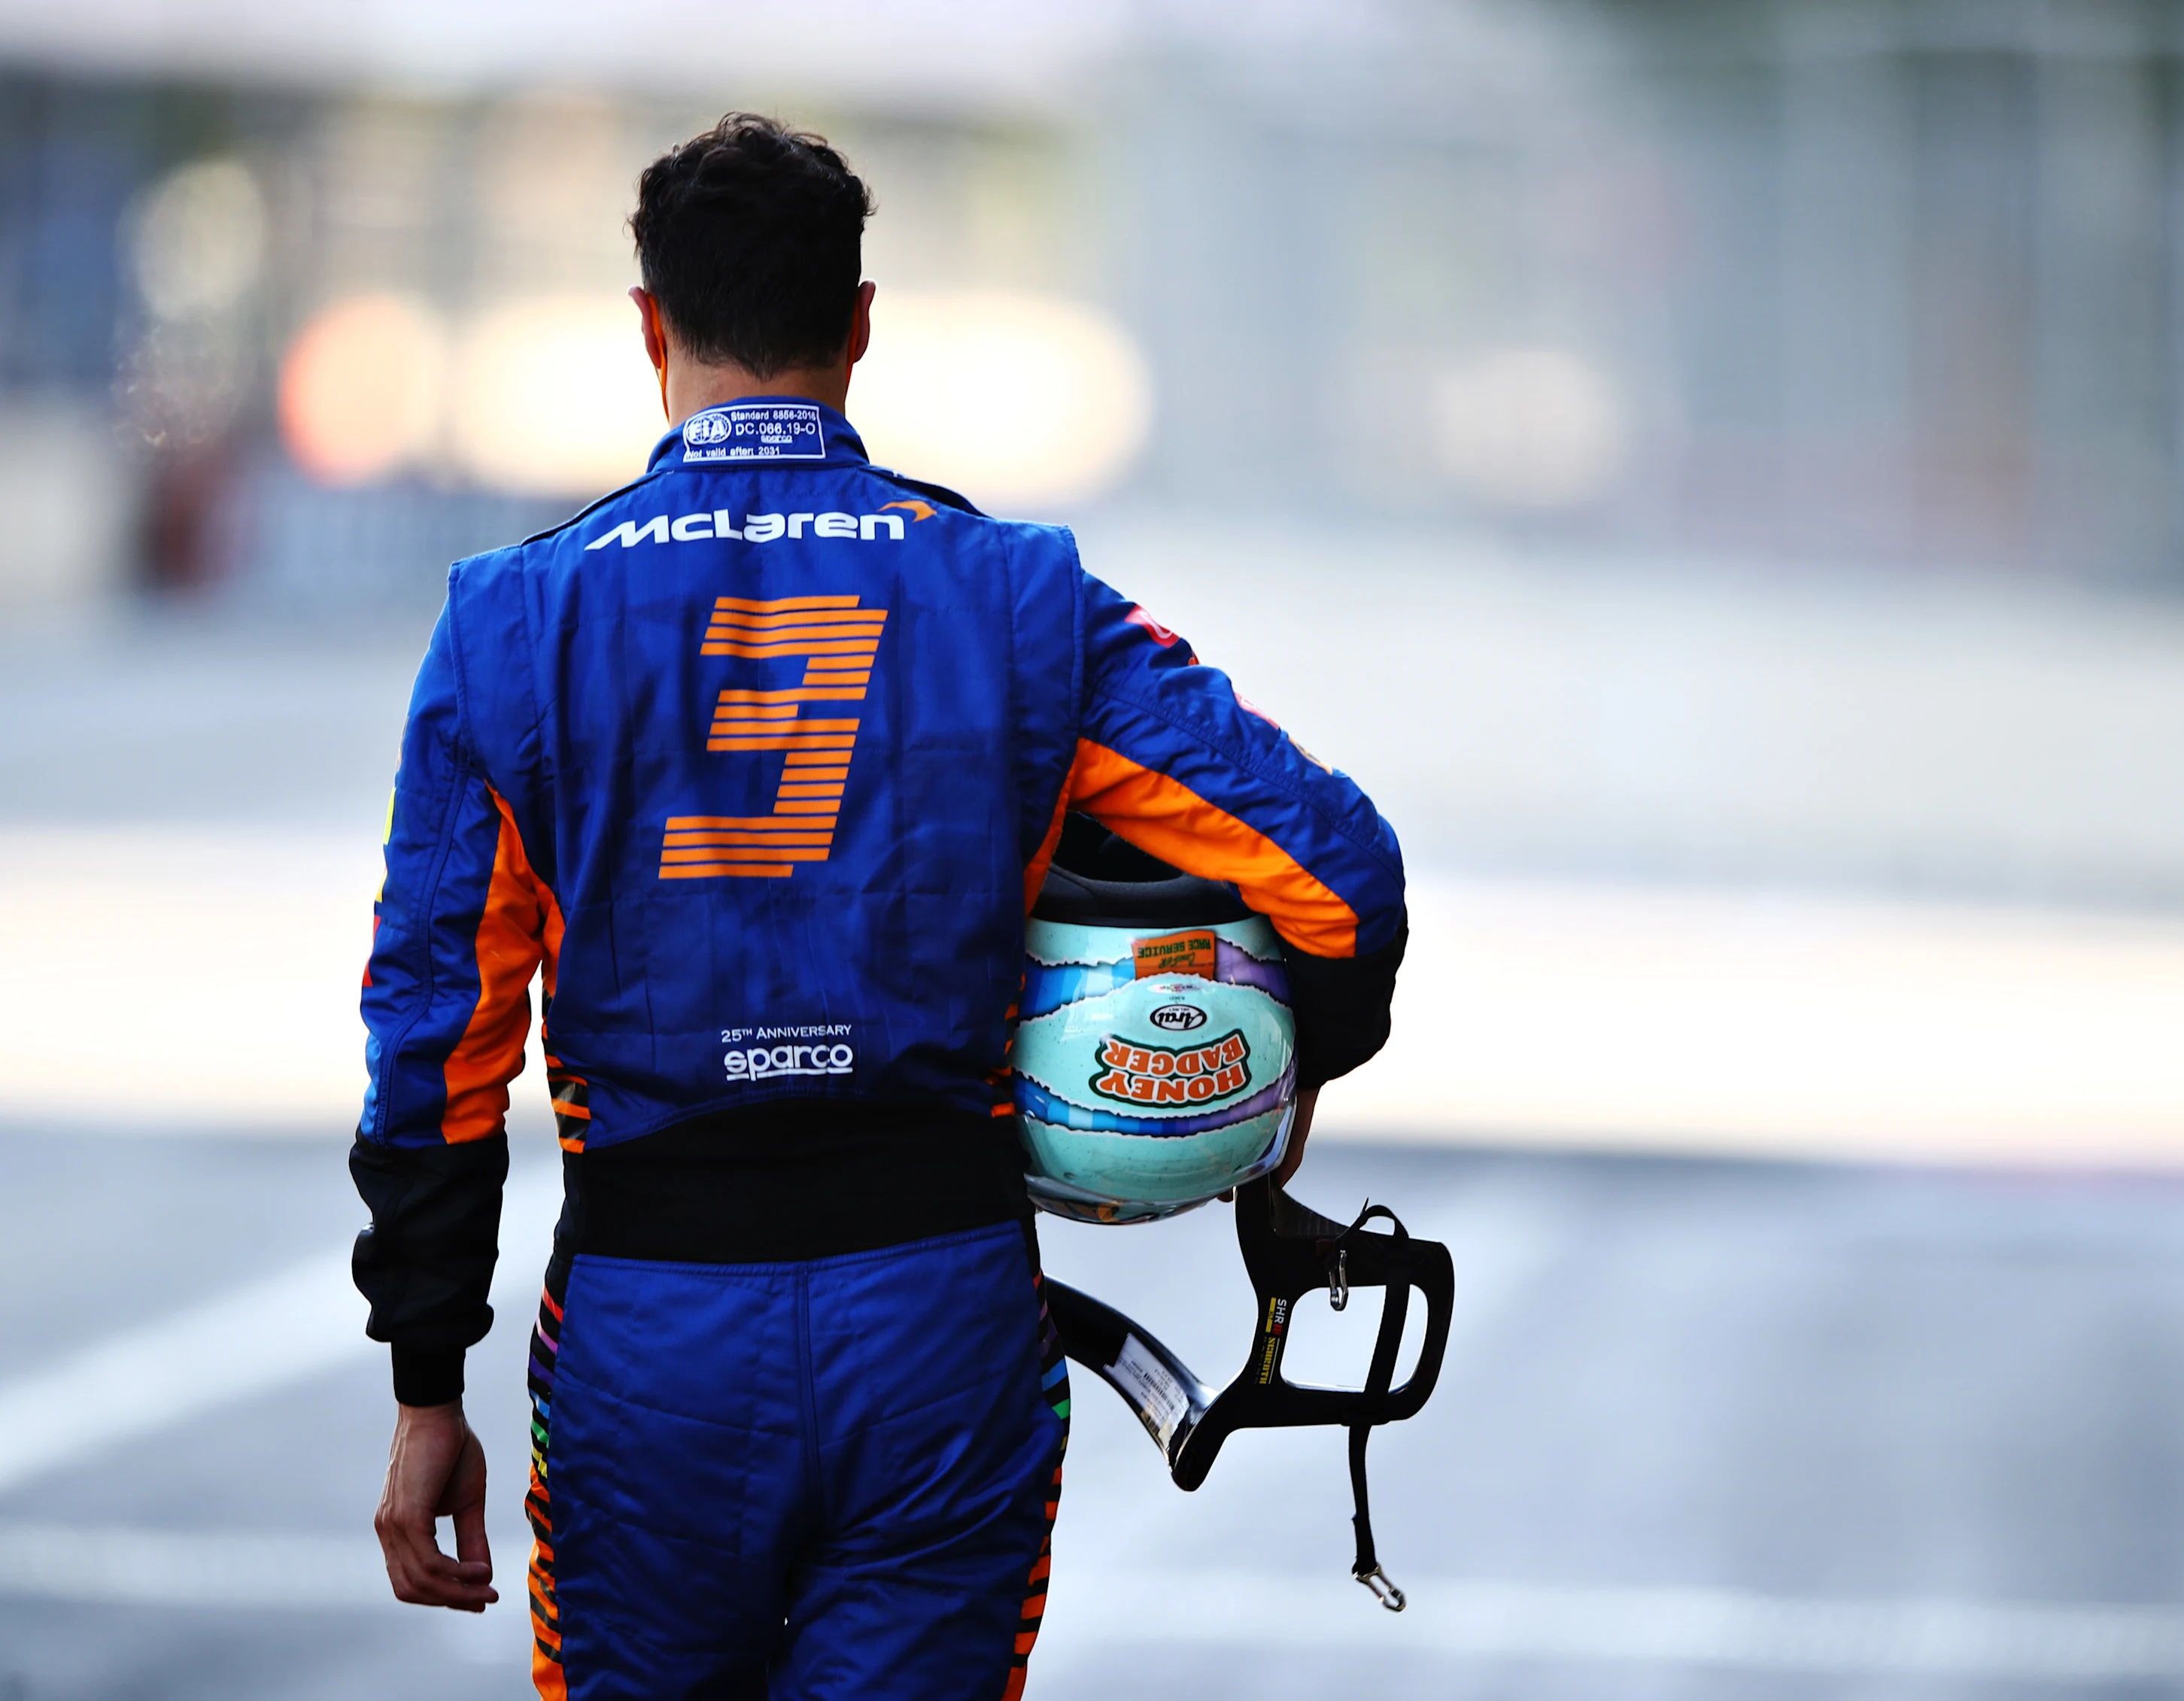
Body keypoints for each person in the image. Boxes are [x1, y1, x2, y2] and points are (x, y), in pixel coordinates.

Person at [349, 114, 1407, 1699]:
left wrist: (429, 1378)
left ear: (650, 327)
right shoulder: (1020, 594)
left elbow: (434, 1044)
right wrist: (1287, 1076)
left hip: (653, 1330)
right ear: (858, 325)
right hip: (939, 1318)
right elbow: (1336, 873)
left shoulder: (510, 621)